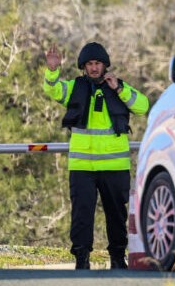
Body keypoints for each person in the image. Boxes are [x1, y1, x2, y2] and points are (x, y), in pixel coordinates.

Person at [42, 42, 149, 270]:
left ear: (105, 65)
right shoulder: (74, 88)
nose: (93, 68)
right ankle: (82, 259)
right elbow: (52, 90)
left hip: (115, 166)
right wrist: (52, 70)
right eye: (89, 64)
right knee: (81, 217)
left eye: (97, 63)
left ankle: (118, 259)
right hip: (82, 167)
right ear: (83, 67)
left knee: (116, 216)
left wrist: (120, 89)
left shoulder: (118, 88)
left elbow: (142, 106)